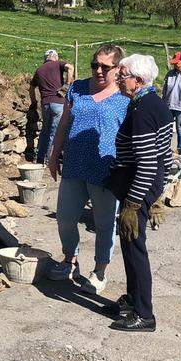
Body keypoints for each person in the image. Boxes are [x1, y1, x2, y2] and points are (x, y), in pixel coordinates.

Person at [47, 44, 130, 295]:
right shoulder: (78, 88)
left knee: (104, 224)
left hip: (105, 170)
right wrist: (53, 155)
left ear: (118, 69)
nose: (99, 71)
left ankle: (99, 271)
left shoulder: (125, 97)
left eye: (105, 67)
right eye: (95, 65)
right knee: (65, 218)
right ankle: (70, 260)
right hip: (74, 165)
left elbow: (131, 137)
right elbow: (64, 123)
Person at [107, 54, 173, 332]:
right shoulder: (150, 104)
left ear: (139, 80)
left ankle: (144, 314)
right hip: (144, 185)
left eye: (123, 75)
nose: (119, 80)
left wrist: (134, 204)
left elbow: (147, 162)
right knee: (128, 244)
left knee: (135, 247)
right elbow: (165, 156)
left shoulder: (145, 110)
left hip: (139, 186)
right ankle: (133, 299)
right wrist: (160, 189)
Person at [29, 49, 75, 164]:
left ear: (45, 58)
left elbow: (31, 88)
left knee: (45, 131)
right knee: (54, 132)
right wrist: (67, 84)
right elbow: (70, 68)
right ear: (55, 57)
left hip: (45, 104)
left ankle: (40, 157)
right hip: (58, 103)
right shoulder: (58, 64)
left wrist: (34, 102)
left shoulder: (39, 70)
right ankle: (50, 160)